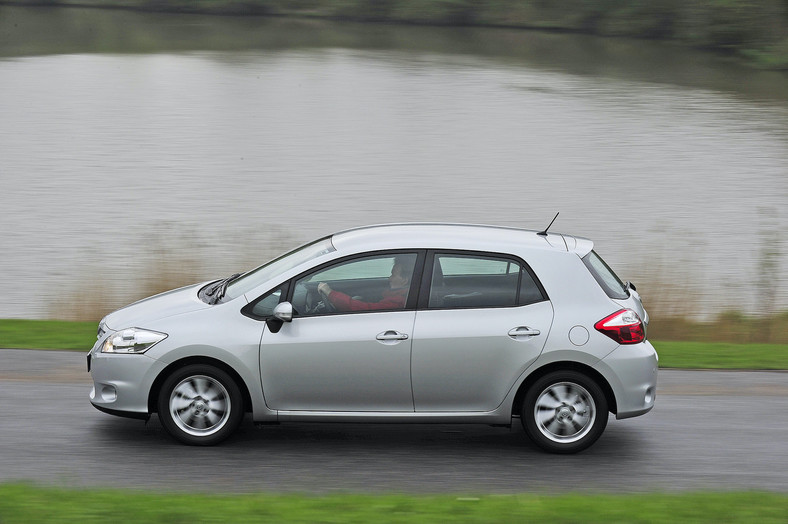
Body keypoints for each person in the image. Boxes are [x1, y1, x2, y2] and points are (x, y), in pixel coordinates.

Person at [317, 257, 413, 311]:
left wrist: (330, 293)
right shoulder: (397, 296)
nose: (389, 278)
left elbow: (362, 308)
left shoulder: (397, 302)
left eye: (393, 275)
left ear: (404, 280)